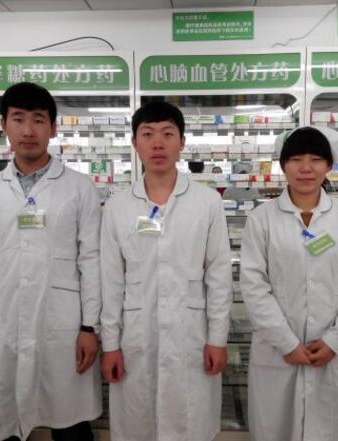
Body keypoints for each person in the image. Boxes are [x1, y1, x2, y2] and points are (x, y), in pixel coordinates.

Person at [0, 82, 102, 441]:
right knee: (3, 423)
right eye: (18, 119)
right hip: (3, 321)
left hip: (63, 325)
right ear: (3, 125)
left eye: (38, 120)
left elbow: (91, 261)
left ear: (53, 127)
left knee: (70, 426)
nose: (28, 130)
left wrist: (90, 327)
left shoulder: (79, 188)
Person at [100, 101, 232, 441]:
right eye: (147, 134)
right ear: (134, 143)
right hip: (135, 336)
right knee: (138, 424)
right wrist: (110, 343)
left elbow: (218, 276)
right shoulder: (116, 206)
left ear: (182, 142)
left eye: (167, 134)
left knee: (189, 424)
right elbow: (111, 281)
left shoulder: (207, 202)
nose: (157, 144)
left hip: (192, 334)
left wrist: (217, 338)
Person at [240, 126, 338, 441]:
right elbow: (253, 285)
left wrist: (335, 341)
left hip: (332, 351)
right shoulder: (262, 218)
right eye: (296, 159)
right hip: (277, 351)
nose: (305, 168)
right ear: (283, 165)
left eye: (315, 159)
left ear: (329, 165)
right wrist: (286, 342)